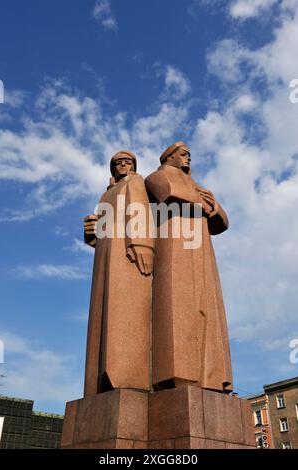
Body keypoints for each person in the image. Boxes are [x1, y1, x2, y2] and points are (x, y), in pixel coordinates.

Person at [145, 141, 233, 393]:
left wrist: (213, 206)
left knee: (207, 309)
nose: (188, 159)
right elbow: (169, 193)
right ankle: (179, 373)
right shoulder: (157, 177)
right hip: (174, 246)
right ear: (169, 157)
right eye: (184, 154)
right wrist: (206, 204)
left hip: (203, 251)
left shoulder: (198, 186)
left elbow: (223, 223)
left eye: (190, 156)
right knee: (177, 305)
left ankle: (211, 377)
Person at [84, 151, 154, 395]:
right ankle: (100, 379)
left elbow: (139, 210)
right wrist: (91, 233)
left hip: (125, 251)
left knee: (123, 309)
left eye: (128, 162)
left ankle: (124, 373)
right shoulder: (106, 193)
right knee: (102, 314)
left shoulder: (135, 182)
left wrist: (141, 244)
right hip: (105, 253)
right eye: (118, 163)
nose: (123, 165)